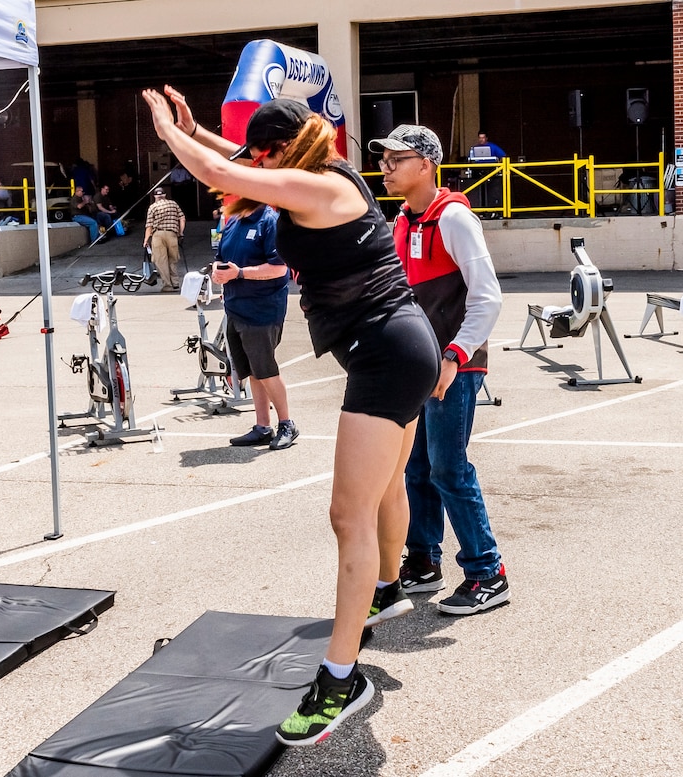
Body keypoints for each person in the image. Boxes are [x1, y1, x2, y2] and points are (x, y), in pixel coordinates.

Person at [143, 87, 439, 746]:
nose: (257, 164)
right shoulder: (322, 174)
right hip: (401, 344)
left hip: (387, 354)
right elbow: (238, 162)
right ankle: (389, 585)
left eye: (263, 154)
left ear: (280, 152)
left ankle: (341, 678)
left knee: (347, 512)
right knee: (385, 489)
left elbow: (226, 173)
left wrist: (168, 131)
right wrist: (202, 134)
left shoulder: (319, 189)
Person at [369, 124, 510, 616]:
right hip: (417, 368)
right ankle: (423, 560)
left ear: (426, 164)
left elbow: (487, 296)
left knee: (449, 467)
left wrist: (455, 355)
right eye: (383, 160)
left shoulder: (452, 218)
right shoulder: (403, 219)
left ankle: (487, 571)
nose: (385, 168)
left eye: (396, 159)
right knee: (416, 468)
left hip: (454, 367)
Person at [210, 204, 299, 450]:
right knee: (251, 371)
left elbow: (280, 268)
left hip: (262, 310)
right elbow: (220, 260)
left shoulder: (270, 222)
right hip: (235, 307)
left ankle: (287, 424)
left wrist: (239, 274)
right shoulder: (233, 222)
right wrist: (218, 273)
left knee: (266, 370)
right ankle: (262, 426)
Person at [143, 187, 185, 292]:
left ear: (155, 196)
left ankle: (167, 285)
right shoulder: (173, 204)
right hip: (172, 234)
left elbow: (149, 226)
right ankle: (175, 283)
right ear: (165, 195)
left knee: (161, 261)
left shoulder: (153, 207)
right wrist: (180, 233)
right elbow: (182, 218)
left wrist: (146, 240)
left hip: (158, 234)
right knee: (173, 259)